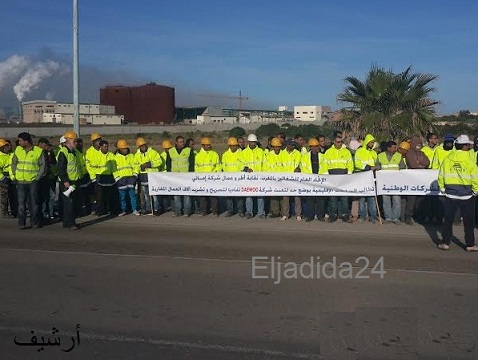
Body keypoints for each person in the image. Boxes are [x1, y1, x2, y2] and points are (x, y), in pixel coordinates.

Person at [437, 135, 478, 252]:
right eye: (468, 144)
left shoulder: (448, 159)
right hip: (467, 195)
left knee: (448, 220)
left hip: (450, 194)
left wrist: (442, 188)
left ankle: (445, 242)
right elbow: (475, 177)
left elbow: (441, 175)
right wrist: (475, 190)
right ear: (464, 146)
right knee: (468, 221)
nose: (470, 146)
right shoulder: (469, 160)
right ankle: (470, 245)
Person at [11, 132, 47, 229]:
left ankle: (34, 222)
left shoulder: (38, 151)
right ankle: (21, 223)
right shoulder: (18, 150)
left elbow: (43, 166)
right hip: (21, 181)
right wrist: (15, 174)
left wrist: (37, 178)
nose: (19, 142)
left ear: (26, 141)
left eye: (20, 140)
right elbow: (14, 163)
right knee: (21, 204)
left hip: (32, 182)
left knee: (34, 203)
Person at [323, 135, 353, 223]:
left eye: (341, 142)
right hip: (332, 178)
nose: (340, 143)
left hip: (343, 178)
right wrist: (326, 176)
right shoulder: (328, 152)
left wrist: (349, 175)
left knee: (344, 197)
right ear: (334, 142)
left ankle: (345, 215)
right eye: (338, 142)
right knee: (333, 198)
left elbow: (350, 164)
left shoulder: (346, 152)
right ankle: (333, 215)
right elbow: (324, 165)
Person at [376, 141, 406, 224]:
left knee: (396, 201)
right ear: (388, 148)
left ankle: (396, 218)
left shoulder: (399, 156)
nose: (395, 149)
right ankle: (388, 217)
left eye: (395, 147)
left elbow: (403, 167)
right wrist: (377, 168)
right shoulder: (380, 156)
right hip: (384, 183)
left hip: (396, 182)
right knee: (386, 201)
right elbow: (377, 165)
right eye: (393, 148)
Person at [56, 131, 82, 230]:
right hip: (67, 182)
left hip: (74, 181)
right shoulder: (63, 152)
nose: (76, 143)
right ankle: (71, 223)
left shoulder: (74, 152)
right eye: (74, 141)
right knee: (69, 203)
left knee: (71, 203)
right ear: (67, 141)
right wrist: (65, 181)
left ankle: (67, 222)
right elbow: (61, 169)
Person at [166, 136, 194, 217]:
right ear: (176, 143)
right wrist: (169, 174)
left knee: (186, 195)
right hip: (175, 177)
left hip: (186, 176)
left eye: (183, 141)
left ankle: (186, 212)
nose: (182, 143)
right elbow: (168, 164)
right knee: (176, 195)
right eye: (180, 142)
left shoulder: (188, 150)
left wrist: (191, 174)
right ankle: (177, 211)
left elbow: (191, 163)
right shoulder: (171, 151)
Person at [404, 136, 430, 224]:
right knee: (412, 199)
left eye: (420, 143)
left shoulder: (422, 153)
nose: (419, 145)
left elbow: (427, 162)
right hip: (412, 181)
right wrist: (421, 165)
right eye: (417, 143)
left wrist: (420, 163)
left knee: (421, 200)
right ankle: (408, 217)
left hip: (422, 181)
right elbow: (412, 164)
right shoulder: (409, 153)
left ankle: (420, 217)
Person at [134, 138, 163, 215]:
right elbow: (135, 165)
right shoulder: (136, 155)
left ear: (146, 144)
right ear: (139, 146)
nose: (143, 146)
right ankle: (148, 209)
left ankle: (156, 209)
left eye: (144, 145)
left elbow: (159, 161)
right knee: (146, 195)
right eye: (141, 145)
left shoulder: (153, 152)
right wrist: (137, 171)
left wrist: (150, 164)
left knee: (155, 195)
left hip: (153, 177)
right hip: (143, 177)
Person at [354, 134, 379, 223]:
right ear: (367, 142)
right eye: (371, 142)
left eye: (373, 143)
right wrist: (368, 167)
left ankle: (373, 216)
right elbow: (357, 163)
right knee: (362, 197)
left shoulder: (373, 153)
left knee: (371, 197)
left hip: (371, 177)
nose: (372, 144)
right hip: (362, 176)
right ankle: (362, 216)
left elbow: (377, 163)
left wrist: (375, 167)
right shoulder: (359, 151)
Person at [301, 138, 327, 222]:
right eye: (315, 146)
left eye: (317, 146)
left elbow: (325, 168)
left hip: (320, 180)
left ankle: (320, 216)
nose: (317, 148)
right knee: (310, 199)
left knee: (320, 199)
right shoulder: (305, 157)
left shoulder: (322, 156)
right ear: (311, 147)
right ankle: (310, 216)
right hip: (310, 181)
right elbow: (303, 168)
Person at [240, 134, 266, 219]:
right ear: (248, 142)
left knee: (260, 195)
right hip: (248, 178)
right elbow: (240, 164)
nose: (252, 144)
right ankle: (249, 212)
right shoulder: (243, 152)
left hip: (259, 178)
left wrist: (263, 174)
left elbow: (264, 164)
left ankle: (261, 213)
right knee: (248, 195)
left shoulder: (260, 152)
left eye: (254, 142)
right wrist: (246, 169)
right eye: (251, 142)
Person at [195, 137, 221, 216]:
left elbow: (218, 165)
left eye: (209, 145)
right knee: (203, 197)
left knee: (214, 197)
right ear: (203, 146)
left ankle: (215, 211)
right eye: (207, 145)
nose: (209, 146)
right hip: (203, 179)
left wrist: (216, 174)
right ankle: (203, 211)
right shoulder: (198, 155)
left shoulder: (214, 154)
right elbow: (196, 168)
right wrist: (201, 176)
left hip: (213, 179)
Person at [114, 140, 139, 216]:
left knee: (133, 196)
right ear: (119, 149)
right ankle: (123, 210)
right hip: (121, 180)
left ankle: (134, 210)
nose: (125, 150)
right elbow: (114, 169)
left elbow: (136, 166)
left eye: (126, 148)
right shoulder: (115, 158)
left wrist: (135, 175)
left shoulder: (131, 156)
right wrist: (117, 178)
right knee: (122, 197)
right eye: (123, 148)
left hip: (131, 179)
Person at [221, 137, 244, 217]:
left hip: (239, 178)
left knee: (239, 196)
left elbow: (243, 165)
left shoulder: (241, 153)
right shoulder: (225, 155)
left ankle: (240, 211)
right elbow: (224, 166)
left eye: (235, 145)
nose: (234, 147)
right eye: (233, 145)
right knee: (229, 196)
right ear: (229, 146)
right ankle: (230, 211)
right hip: (229, 179)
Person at [280, 138, 302, 221]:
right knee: (285, 197)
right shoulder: (282, 154)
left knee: (297, 196)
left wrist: (298, 169)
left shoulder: (298, 153)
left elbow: (300, 164)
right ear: (287, 145)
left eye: (294, 145)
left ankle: (298, 214)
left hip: (295, 179)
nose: (293, 146)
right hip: (285, 179)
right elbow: (280, 166)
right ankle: (285, 214)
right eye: (291, 145)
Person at [263, 137, 285, 218]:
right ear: (272, 147)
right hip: (272, 180)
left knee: (283, 196)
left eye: (278, 146)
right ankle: (275, 212)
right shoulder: (268, 156)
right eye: (275, 147)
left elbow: (286, 166)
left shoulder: (284, 154)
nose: (277, 148)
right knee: (274, 196)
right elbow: (265, 168)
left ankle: (283, 212)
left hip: (282, 179)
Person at [0, 138, 15, 218]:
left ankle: (14, 211)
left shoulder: (11, 154)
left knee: (13, 195)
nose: (9, 147)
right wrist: (2, 178)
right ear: (2, 147)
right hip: (3, 179)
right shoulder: (0, 157)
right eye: (7, 146)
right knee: (4, 197)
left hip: (11, 178)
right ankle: (4, 213)